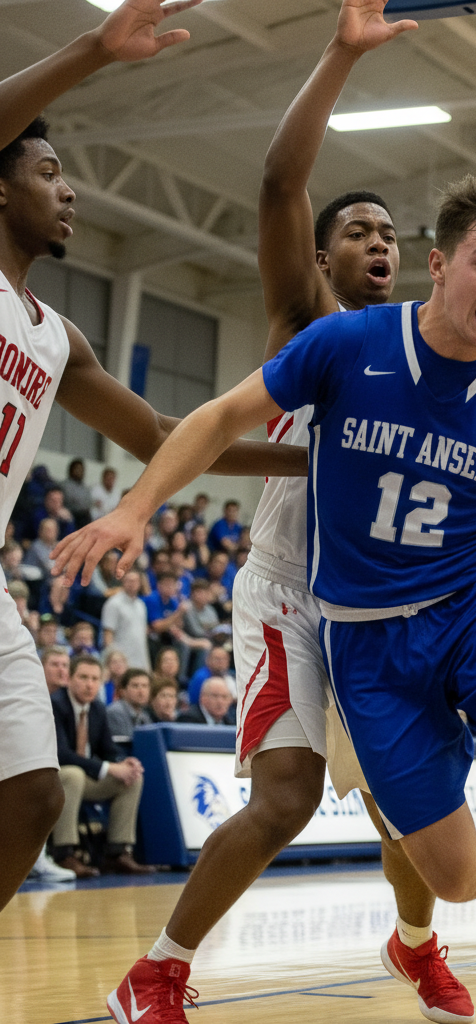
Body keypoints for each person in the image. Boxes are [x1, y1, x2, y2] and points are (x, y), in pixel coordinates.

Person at [54, 169, 476, 1021]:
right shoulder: (345, 343)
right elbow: (216, 419)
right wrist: (137, 509)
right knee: (448, 870)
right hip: (362, 639)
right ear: (439, 267)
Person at [0, 0, 306, 915]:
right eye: (49, 171)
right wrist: (95, 48)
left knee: (33, 795)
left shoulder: (57, 339)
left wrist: (313, 464)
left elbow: (174, 439)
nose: (70, 191)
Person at [50, 654, 151, 877]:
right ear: (70, 678)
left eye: (95, 679)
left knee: (132, 778)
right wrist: (107, 768)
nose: (89, 684)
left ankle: (117, 853)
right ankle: (64, 853)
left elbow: (108, 748)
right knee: (73, 774)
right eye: (83, 677)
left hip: (86, 777)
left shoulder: (97, 708)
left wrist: (123, 762)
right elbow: (61, 754)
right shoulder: (55, 704)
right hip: (57, 779)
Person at [101, 569, 151, 671]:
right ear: (123, 581)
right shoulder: (113, 603)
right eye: (129, 580)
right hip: (121, 660)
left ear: (140, 583)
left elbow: (142, 636)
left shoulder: (141, 605)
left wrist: (147, 664)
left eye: (135, 581)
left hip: (139, 660)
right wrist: (112, 660)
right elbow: (108, 634)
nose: (132, 584)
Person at [106, 668, 154, 743]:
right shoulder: (115, 712)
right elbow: (126, 744)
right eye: (135, 686)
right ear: (123, 691)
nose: (141, 691)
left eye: (145, 686)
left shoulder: (145, 716)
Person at [61, 457, 93, 529]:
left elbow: (89, 503)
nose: (80, 471)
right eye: (78, 469)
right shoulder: (65, 485)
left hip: (85, 517)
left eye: (82, 469)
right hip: (71, 515)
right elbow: (70, 501)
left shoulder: (85, 487)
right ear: (71, 470)